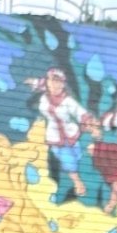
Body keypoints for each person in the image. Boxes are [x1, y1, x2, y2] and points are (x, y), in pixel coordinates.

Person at [25, 68, 91, 198]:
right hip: (54, 138)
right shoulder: (44, 97)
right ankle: (78, 183)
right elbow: (41, 84)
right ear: (48, 82)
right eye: (53, 81)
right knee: (68, 160)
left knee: (76, 156)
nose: (56, 85)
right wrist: (32, 81)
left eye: (59, 82)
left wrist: (88, 123)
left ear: (63, 83)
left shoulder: (67, 101)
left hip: (71, 135)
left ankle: (76, 174)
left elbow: (80, 112)